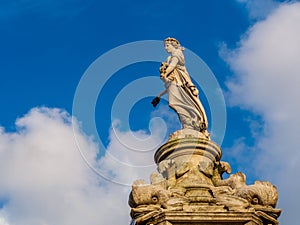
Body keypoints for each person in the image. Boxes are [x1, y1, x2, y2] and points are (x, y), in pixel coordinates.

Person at [152, 37, 208, 134]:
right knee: (176, 103)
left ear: (173, 45)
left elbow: (173, 66)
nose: (166, 48)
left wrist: (164, 73)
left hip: (181, 81)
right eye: (165, 46)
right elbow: (169, 86)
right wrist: (159, 96)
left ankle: (190, 125)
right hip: (176, 82)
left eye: (167, 45)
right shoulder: (169, 58)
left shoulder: (177, 53)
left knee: (176, 103)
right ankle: (188, 125)